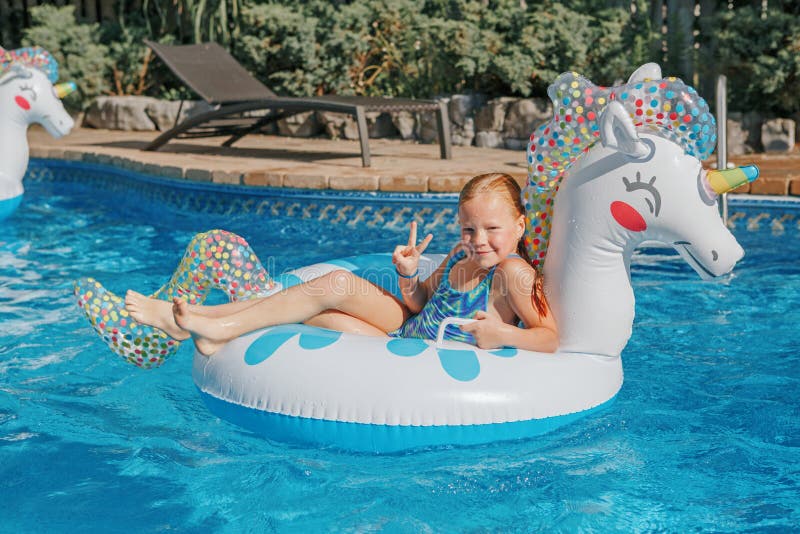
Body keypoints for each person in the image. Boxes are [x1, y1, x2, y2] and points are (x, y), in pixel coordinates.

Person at [125, 172, 558, 356]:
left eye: (492, 229)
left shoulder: (513, 274)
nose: (479, 240)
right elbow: (420, 302)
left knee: (324, 314)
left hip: (424, 355)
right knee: (331, 285)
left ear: (520, 226)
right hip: (407, 328)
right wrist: (409, 276)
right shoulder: (460, 255)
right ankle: (202, 323)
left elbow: (550, 338)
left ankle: (201, 325)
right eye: (469, 229)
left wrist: (502, 333)